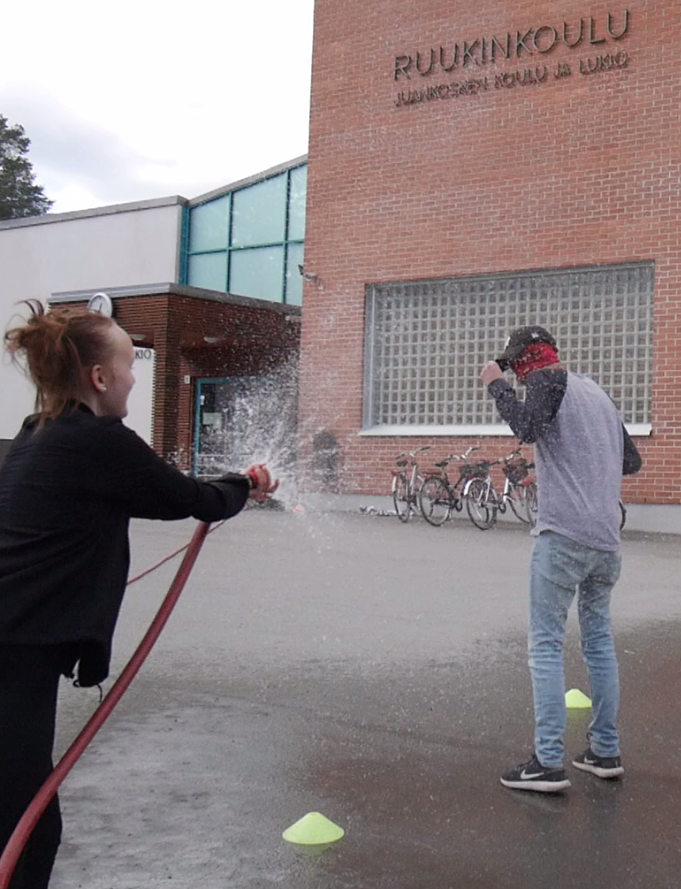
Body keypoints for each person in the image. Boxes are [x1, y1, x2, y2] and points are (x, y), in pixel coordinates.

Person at [0, 301, 278, 888]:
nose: (134, 378)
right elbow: (189, 498)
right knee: (26, 829)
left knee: (19, 814)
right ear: (100, 378)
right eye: (129, 365)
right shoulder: (99, 442)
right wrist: (246, 484)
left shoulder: (36, 433)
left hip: (17, 644)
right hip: (14, 653)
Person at [480, 325, 642, 793]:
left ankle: (548, 762)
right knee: (598, 642)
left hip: (564, 538)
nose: (519, 376)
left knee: (546, 645)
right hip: (605, 542)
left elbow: (527, 428)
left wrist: (496, 385)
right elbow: (629, 462)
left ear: (529, 360)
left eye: (516, 367)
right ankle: (605, 751)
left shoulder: (547, 380)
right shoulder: (596, 393)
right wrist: (566, 467)